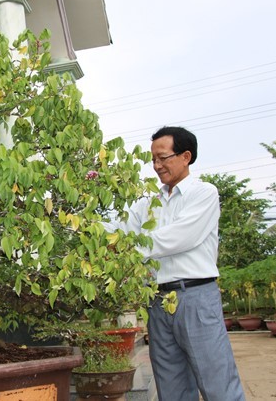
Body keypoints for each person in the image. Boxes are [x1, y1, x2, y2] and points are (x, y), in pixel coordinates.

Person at [104, 126, 245, 401]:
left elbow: (179, 238)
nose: (157, 165)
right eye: (154, 159)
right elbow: (119, 227)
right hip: (157, 300)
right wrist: (83, 229)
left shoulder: (203, 193)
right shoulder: (147, 203)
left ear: (186, 156)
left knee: (218, 383)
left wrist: (124, 245)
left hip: (195, 297)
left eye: (164, 157)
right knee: (171, 387)